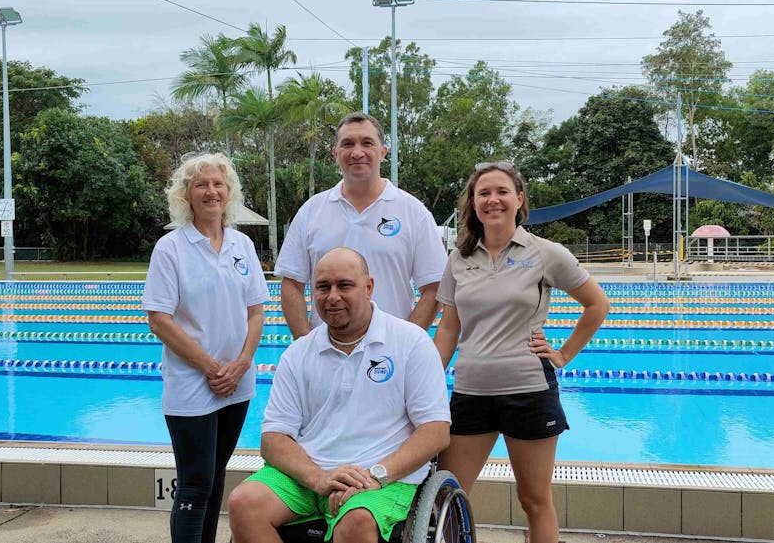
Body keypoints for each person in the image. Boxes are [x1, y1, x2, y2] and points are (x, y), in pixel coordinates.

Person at [432, 161, 610, 543]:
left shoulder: (545, 253)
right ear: (473, 203)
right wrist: (427, 382)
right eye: (484, 193)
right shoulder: (458, 259)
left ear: (519, 200)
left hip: (529, 391)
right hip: (471, 393)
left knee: (533, 498)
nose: (493, 200)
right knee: (446, 494)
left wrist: (562, 355)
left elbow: (597, 304)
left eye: (501, 192)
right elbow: (449, 327)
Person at [228, 248, 451, 543]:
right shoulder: (299, 353)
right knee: (243, 503)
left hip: (383, 478)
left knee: (356, 521)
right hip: (310, 476)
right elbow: (273, 439)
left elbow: (435, 432)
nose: (332, 296)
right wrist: (319, 478)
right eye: (323, 287)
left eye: (345, 285)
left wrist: (375, 476)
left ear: (369, 287)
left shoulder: (411, 343)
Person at [142, 153, 268, 543]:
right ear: (186, 195)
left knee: (213, 480)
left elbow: (256, 312)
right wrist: (212, 368)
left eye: (218, 184)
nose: (211, 191)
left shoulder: (242, 244)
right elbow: (159, 319)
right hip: (192, 384)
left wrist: (242, 363)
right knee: (195, 484)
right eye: (201, 185)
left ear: (228, 192)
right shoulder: (171, 248)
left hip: (237, 384)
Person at [276, 112, 447, 339]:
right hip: (327, 355)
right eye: (347, 144)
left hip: (389, 359)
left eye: (367, 143)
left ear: (383, 152)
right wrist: (307, 345)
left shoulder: (412, 212)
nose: (357, 152)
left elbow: (434, 287)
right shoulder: (311, 211)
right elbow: (291, 284)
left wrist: (405, 342)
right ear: (336, 154)